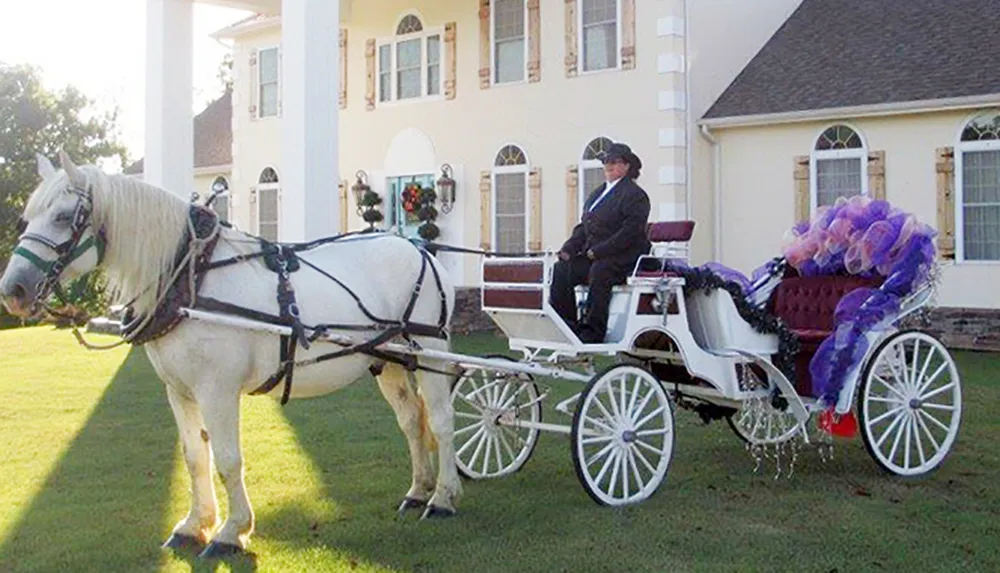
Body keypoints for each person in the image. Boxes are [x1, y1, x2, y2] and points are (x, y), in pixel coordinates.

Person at [550, 142, 651, 343]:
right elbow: (584, 226)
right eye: (606, 161)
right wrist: (569, 248)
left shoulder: (635, 196)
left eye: (614, 162)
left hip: (624, 257)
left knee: (600, 270)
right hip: (595, 255)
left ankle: (593, 331)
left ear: (627, 166)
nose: (608, 166)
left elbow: (628, 234)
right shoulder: (597, 193)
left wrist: (598, 251)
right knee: (562, 269)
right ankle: (567, 324)